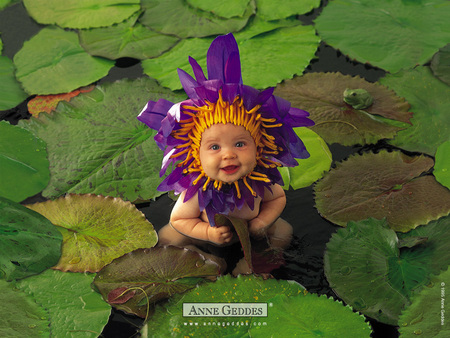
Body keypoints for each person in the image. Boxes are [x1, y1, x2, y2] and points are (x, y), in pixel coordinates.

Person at [138, 33, 313, 275]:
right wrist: (207, 233)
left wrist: (262, 223)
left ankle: (255, 262)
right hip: (202, 238)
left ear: (260, 147)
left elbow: (277, 199)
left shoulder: (260, 183)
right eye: (214, 147)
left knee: (283, 232)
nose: (228, 155)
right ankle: (204, 260)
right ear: (195, 156)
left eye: (240, 144)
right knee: (169, 237)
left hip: (249, 235)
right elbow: (180, 220)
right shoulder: (197, 191)